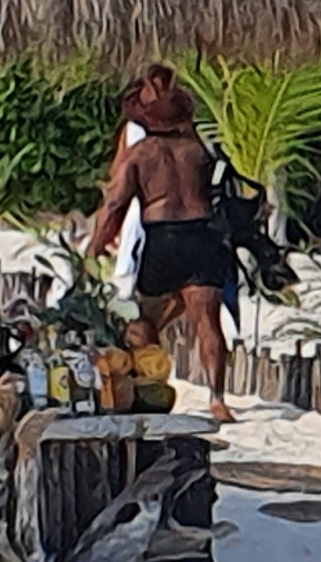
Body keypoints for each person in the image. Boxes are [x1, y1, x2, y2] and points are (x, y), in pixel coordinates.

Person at [86, 66, 237, 418]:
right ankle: (217, 399)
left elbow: (115, 206)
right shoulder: (198, 151)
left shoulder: (139, 155)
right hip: (202, 235)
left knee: (144, 323)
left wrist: (95, 248)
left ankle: (149, 388)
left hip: (163, 239)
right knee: (208, 322)